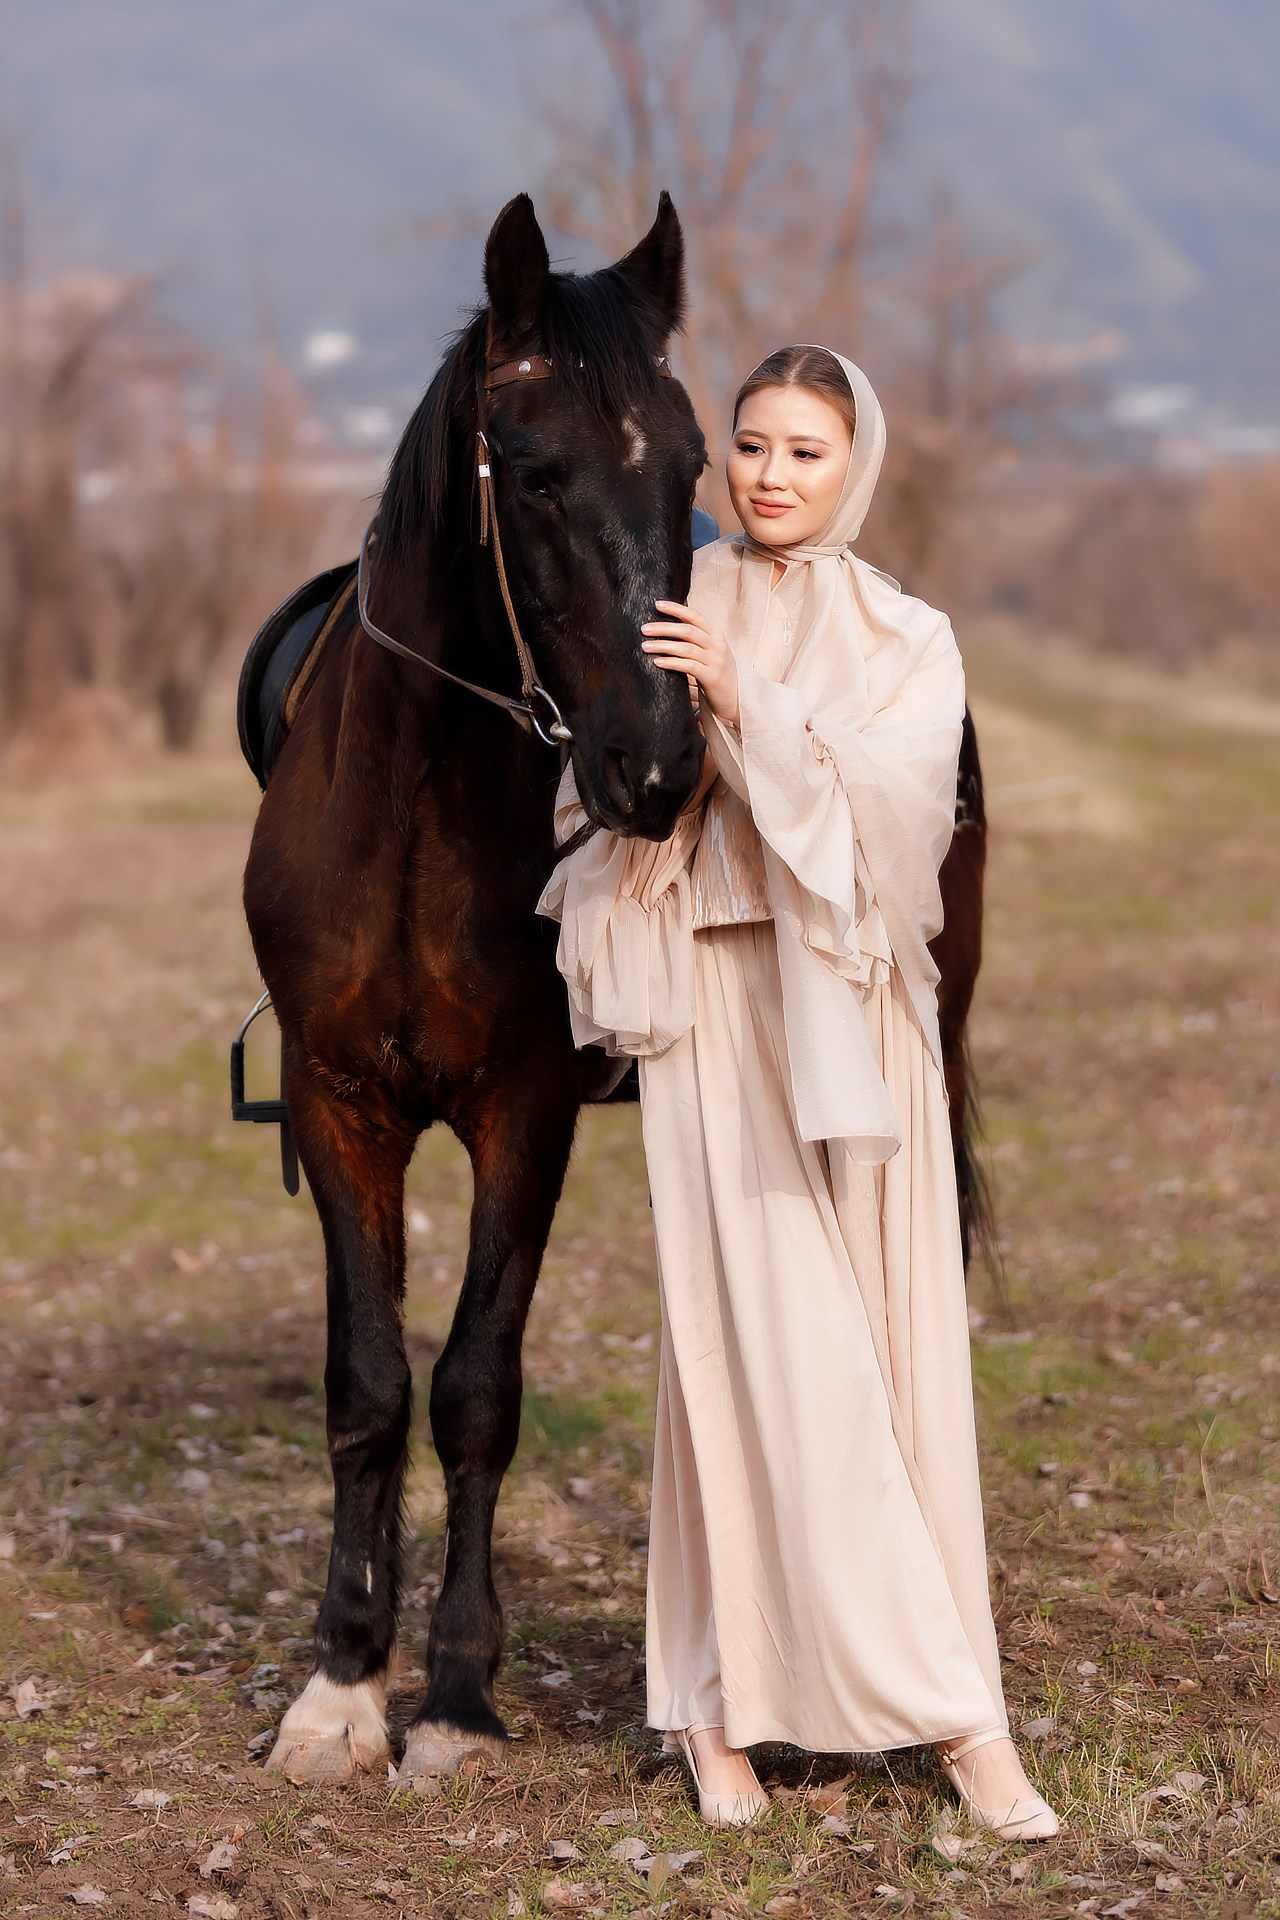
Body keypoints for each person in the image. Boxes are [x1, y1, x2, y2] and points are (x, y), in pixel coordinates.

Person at [537, 346, 1059, 1841]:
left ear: (856, 466)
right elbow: (601, 802)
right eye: (753, 447)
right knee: (747, 1351)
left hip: (860, 1014)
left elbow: (897, 824)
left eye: (806, 452)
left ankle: (953, 1700)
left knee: (891, 1359)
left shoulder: (910, 632)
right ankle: (725, 1709)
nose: (772, 476)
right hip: (717, 998)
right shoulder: (665, 600)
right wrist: (669, 734)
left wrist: (748, 699)